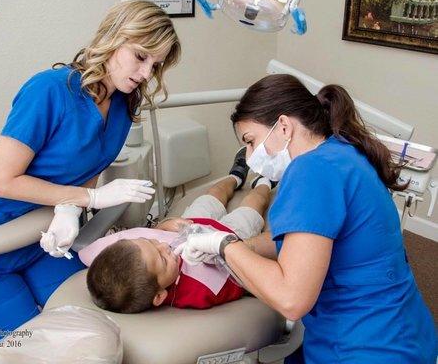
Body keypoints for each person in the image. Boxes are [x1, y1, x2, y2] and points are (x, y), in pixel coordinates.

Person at [0, 0, 181, 342]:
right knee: (33, 348)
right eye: (141, 56)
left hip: (44, 243)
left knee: (92, 328)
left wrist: (68, 211)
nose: (145, 74)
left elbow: (89, 170)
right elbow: (2, 181)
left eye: (155, 66)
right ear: (113, 38)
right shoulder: (50, 90)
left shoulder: (125, 105)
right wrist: (90, 197)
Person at [178, 74, 437, 363]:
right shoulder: (341, 152)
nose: (249, 157)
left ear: (284, 126)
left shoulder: (311, 172)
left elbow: (291, 300)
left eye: (250, 142)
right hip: (406, 333)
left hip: (366, 348)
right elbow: (299, 240)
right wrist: (240, 246)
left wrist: (225, 245)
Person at [81, 149, 276, 313]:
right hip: (231, 235)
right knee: (253, 204)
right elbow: (240, 279)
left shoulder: (124, 257)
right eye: (164, 260)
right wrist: (224, 250)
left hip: (190, 223)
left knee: (213, 193)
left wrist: (164, 226)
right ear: (159, 296)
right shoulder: (201, 288)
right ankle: (265, 181)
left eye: (152, 241)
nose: (164, 245)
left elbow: (86, 252)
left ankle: (235, 176)